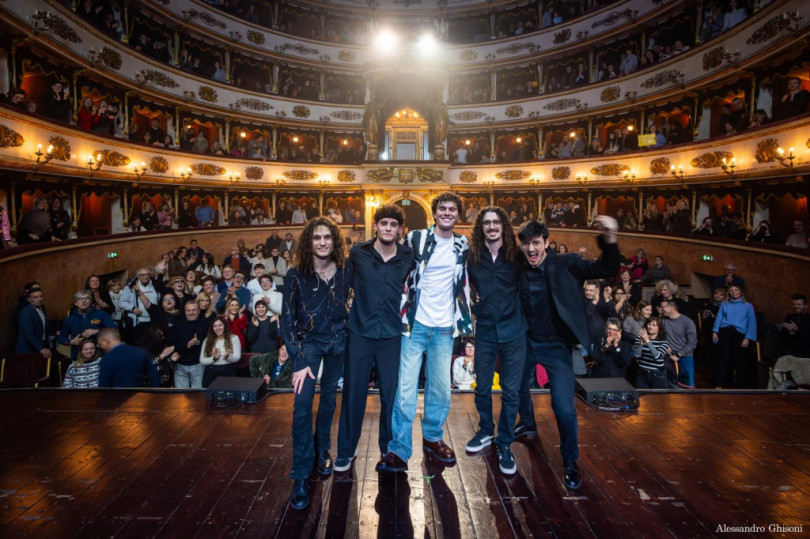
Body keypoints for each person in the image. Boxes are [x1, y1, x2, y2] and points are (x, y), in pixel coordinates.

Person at [514, 215, 620, 490]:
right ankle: (528, 423)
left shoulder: (567, 263)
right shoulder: (519, 265)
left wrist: (609, 239)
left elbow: (607, 267)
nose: (531, 249)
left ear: (546, 242)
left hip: (556, 346)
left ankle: (570, 461)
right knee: (516, 386)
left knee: (563, 408)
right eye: (526, 244)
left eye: (536, 243)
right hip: (526, 341)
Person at [378, 193, 472, 474]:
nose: (447, 213)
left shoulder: (462, 243)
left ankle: (432, 437)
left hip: (444, 327)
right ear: (434, 212)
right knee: (405, 390)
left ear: (458, 215)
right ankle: (399, 448)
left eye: (452, 209)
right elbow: (396, 265)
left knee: (440, 389)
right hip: (414, 324)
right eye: (442, 208)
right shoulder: (416, 238)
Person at [333, 205, 414, 473]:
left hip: (392, 335)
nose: (388, 228)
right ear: (376, 225)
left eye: (394, 224)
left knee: (391, 396)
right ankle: (346, 450)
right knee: (353, 393)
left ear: (400, 229)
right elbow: (342, 286)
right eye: (384, 223)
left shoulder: (408, 256)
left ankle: (388, 449)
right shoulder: (358, 253)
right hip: (360, 333)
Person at [282, 217, 352, 510]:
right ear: (308, 242)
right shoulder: (295, 274)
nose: (322, 242)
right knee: (302, 407)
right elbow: (286, 319)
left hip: (337, 342)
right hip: (307, 345)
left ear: (335, 241)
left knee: (329, 401)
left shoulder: (346, 270)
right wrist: (298, 359)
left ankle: (323, 450)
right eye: (317, 237)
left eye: (327, 237)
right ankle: (301, 474)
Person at [463, 206, 527, 473]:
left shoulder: (516, 256)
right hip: (486, 330)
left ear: (503, 226)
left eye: (496, 222)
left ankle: (505, 443)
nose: (491, 226)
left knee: (511, 392)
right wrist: (467, 294)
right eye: (487, 222)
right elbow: (459, 281)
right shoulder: (472, 256)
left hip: (514, 330)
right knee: (482, 386)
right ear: (481, 227)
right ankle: (486, 430)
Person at [712, 285, 757, 388]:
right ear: (729, 293)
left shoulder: (748, 306)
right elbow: (719, 318)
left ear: (740, 292)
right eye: (731, 291)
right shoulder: (724, 303)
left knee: (739, 359)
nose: (734, 292)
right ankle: (719, 384)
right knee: (723, 358)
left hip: (739, 333)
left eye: (736, 290)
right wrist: (714, 331)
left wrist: (747, 338)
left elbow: (751, 323)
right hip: (725, 331)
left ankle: (740, 386)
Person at [57, 290, 116, 359]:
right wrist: (70, 342)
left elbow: (114, 330)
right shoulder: (69, 320)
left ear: (91, 301)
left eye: (86, 298)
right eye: (79, 299)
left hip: (100, 353)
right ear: (75, 303)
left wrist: (97, 331)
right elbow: (60, 338)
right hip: (78, 355)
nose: (83, 301)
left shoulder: (101, 314)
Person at [168, 301, 209, 388]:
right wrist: (187, 345)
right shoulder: (178, 324)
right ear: (185, 311)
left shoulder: (205, 323)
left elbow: (210, 343)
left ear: (199, 311)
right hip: (180, 366)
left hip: (198, 365)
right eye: (188, 310)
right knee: (181, 395)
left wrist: (198, 342)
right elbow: (172, 345)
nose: (191, 313)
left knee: (198, 395)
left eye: (193, 310)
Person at [660, 299, 698, 388]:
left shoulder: (687, 322)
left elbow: (692, 343)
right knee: (669, 382)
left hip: (685, 355)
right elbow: (658, 335)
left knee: (689, 383)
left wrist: (678, 355)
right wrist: (665, 345)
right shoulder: (663, 320)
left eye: (663, 307)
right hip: (668, 355)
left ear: (671, 308)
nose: (661, 309)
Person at [200, 318, 241, 387]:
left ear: (225, 326)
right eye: (215, 326)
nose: (218, 328)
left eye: (220, 325)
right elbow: (202, 360)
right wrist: (214, 359)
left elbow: (237, 357)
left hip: (228, 371)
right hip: (211, 373)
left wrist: (228, 357)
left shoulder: (234, 338)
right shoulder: (207, 340)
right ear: (212, 328)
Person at [632, 317, 670, 389]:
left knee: (658, 396)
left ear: (659, 328)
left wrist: (647, 341)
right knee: (641, 395)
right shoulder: (639, 338)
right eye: (649, 324)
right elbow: (637, 355)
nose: (650, 327)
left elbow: (657, 357)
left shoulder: (663, 342)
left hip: (657, 375)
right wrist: (641, 343)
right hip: (642, 373)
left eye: (654, 325)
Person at [14, 287, 52, 359]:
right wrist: (41, 348)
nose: (39, 299)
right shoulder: (26, 312)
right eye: (35, 297)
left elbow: (43, 326)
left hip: (40, 346)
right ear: (29, 299)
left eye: (41, 296)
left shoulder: (42, 308)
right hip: (27, 350)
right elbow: (29, 333)